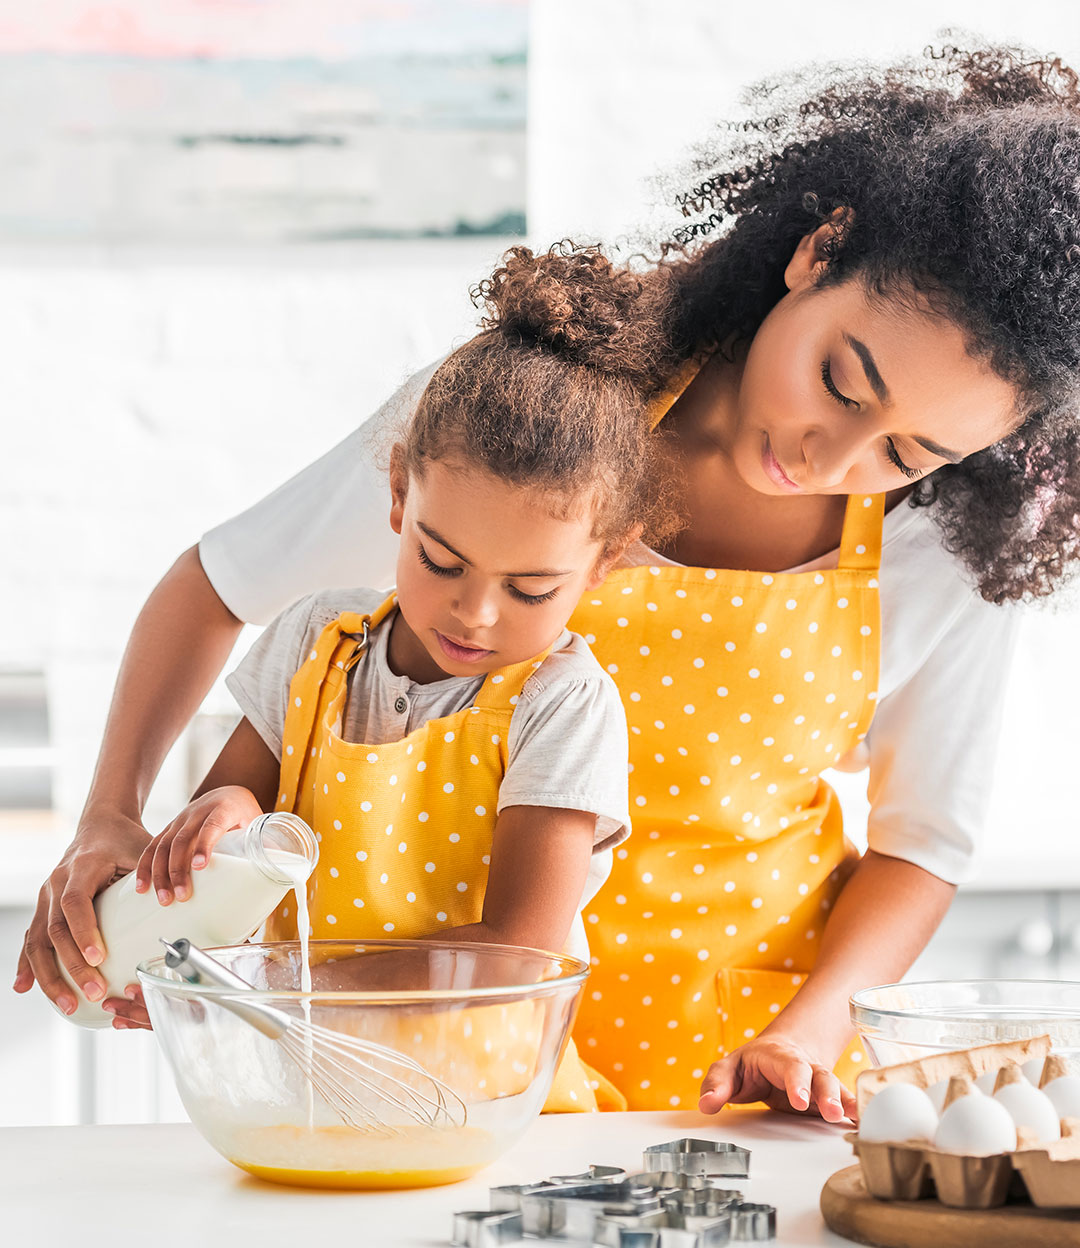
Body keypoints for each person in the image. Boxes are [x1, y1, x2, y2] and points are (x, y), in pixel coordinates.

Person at [18, 44, 1080, 1120]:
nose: (830, 458)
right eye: (841, 383)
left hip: (724, 1079)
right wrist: (109, 813)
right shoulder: (536, 411)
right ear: (819, 250)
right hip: (433, 1044)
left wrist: (807, 1028)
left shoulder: (944, 550)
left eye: (907, 454)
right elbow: (216, 587)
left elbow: (922, 844)